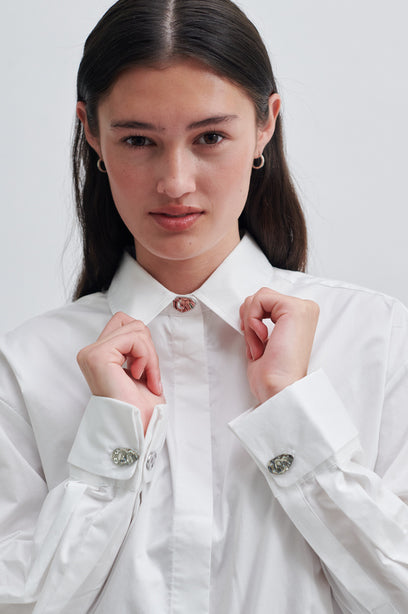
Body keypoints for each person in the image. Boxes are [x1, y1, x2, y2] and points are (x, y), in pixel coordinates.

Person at [0, 0, 407, 612]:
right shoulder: (26, 365)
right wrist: (113, 447)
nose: (175, 182)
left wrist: (292, 414)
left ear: (266, 124)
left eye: (210, 137)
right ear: (92, 133)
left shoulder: (376, 338)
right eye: (138, 140)